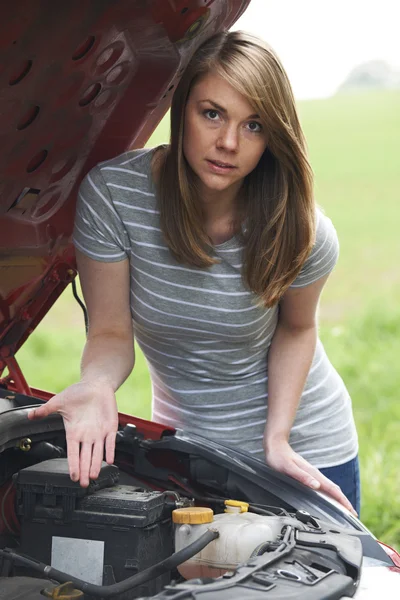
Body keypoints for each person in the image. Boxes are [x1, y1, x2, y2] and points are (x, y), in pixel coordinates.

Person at [28, 31, 360, 516]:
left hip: (304, 449)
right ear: (181, 109)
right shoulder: (115, 197)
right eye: (212, 114)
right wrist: (98, 384)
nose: (228, 143)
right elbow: (111, 331)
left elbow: (297, 327)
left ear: (273, 137)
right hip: (189, 453)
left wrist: (277, 438)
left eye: (254, 126)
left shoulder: (302, 227)